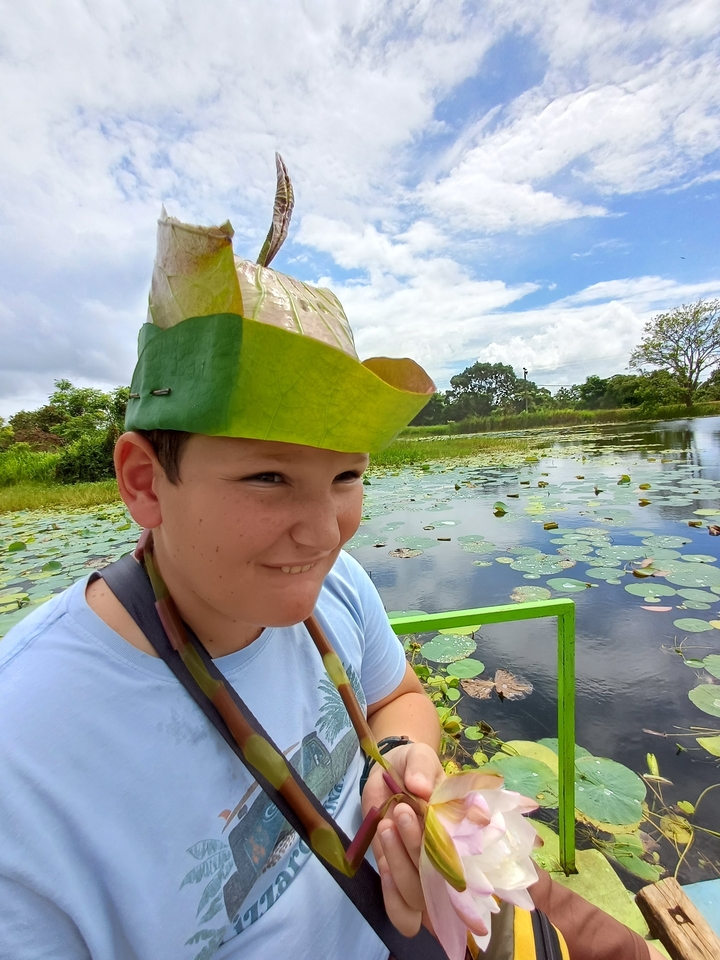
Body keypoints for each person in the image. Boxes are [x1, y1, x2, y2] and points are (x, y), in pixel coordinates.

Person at [0, 161, 663, 960]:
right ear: (145, 482)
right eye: (270, 477)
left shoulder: (334, 586)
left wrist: (402, 761)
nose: (324, 532)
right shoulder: (23, 764)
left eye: (347, 476)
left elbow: (400, 695)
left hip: (449, 909)